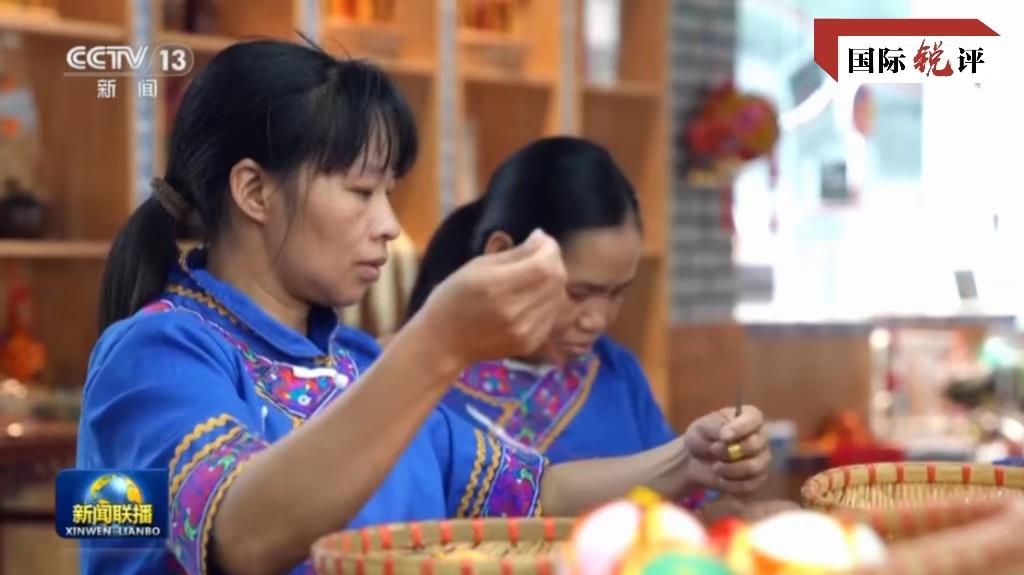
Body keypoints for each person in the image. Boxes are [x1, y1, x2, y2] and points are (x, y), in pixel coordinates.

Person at [77, 41, 771, 575]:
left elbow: (533, 495)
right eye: (360, 192)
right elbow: (242, 534)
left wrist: (686, 460)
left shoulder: (355, 364)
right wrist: (438, 342)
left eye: (389, 192)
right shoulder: (154, 355)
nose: (387, 224)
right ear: (255, 192)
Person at [406, 137, 751, 469]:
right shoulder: (419, 380)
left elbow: (684, 499)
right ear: (501, 253)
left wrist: (727, 470)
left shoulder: (616, 370)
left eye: (617, 293)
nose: (597, 320)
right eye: (578, 293)